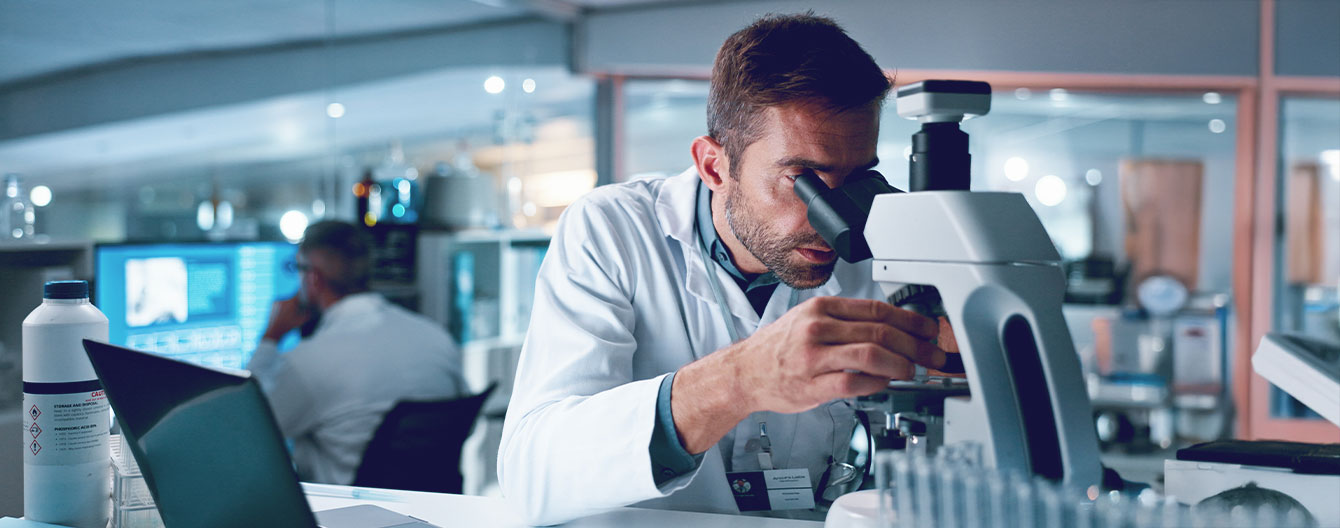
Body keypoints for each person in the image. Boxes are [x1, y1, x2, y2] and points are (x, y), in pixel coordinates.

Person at [499, 13, 951, 524]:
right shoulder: (612, 229)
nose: (838, 221)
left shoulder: (879, 248)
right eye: (805, 180)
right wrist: (739, 380)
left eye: (855, 181)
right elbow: (532, 468)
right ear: (715, 166)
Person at [248, 220, 465, 485]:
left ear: (313, 278)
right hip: (431, 514)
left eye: (298, 268)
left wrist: (270, 338)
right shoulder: (437, 338)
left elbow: (249, 431)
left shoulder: (309, 363)